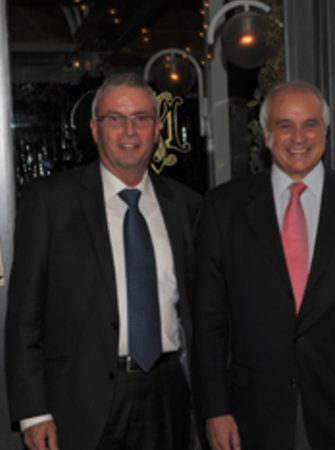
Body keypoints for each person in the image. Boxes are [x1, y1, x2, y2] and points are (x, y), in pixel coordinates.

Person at [192, 80, 335, 450]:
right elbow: (208, 319)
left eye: (310, 124)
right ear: (266, 136)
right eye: (285, 125)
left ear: (325, 133)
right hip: (251, 414)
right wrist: (215, 408)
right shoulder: (223, 208)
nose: (298, 137)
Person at [5, 73, 202, 450]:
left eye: (141, 118)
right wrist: (32, 411)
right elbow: (25, 315)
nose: (129, 130)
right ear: (95, 130)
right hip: (80, 402)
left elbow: (200, 310)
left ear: (157, 129)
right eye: (115, 118)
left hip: (168, 395)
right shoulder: (50, 201)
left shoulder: (186, 205)